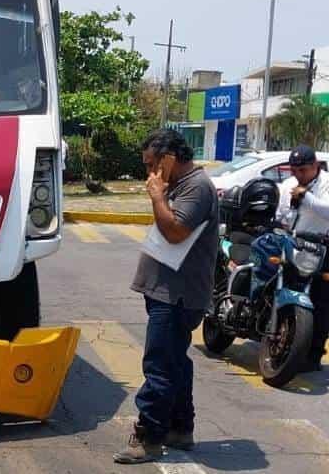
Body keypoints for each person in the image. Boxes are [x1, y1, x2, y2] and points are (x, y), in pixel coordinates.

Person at [114, 129, 218, 465]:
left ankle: (149, 438)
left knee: (159, 365)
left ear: (169, 158)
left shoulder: (197, 187)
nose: (149, 173)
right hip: (167, 293)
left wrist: (157, 196)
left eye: (151, 164)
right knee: (175, 362)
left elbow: (174, 232)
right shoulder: (181, 184)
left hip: (178, 296)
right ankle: (179, 428)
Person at [276, 145, 329, 373]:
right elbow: (281, 215)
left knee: (322, 300)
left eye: (303, 170)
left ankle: (314, 354)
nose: (297, 175)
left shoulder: (328, 183)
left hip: (324, 248)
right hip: (294, 245)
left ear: (315, 167)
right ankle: (283, 342)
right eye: (294, 170)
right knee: (285, 290)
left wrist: (306, 197)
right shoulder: (288, 185)